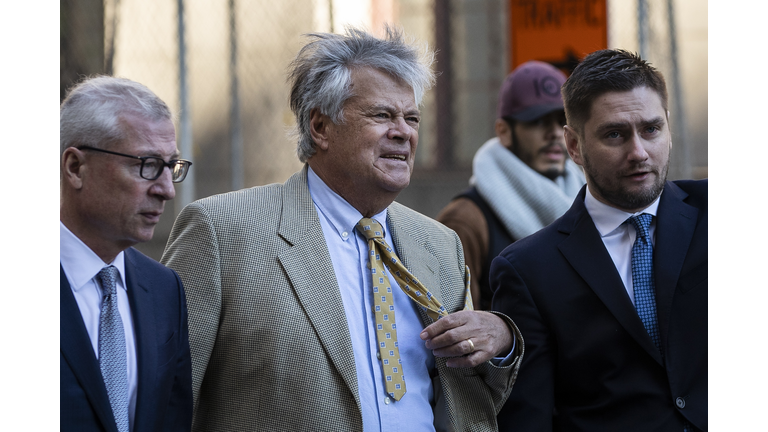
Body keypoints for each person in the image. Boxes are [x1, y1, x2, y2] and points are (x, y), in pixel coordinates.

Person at [162, 26, 523, 432]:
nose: (403, 131)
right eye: (382, 115)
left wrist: (501, 339)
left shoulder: (439, 243)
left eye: (412, 118)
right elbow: (165, 398)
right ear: (320, 127)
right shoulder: (222, 231)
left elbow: (467, 398)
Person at [491, 49, 707, 431]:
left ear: (669, 129)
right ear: (574, 146)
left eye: (651, 129)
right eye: (614, 134)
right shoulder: (529, 270)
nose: (638, 152)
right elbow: (529, 418)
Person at [60, 76, 194, 432]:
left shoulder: (164, 289)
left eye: (171, 167)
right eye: (147, 165)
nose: (166, 190)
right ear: (75, 168)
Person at [437, 60, 585, 310]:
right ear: (504, 131)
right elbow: (452, 331)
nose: (553, 133)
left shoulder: (588, 203)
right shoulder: (465, 222)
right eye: (538, 121)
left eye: (562, 120)